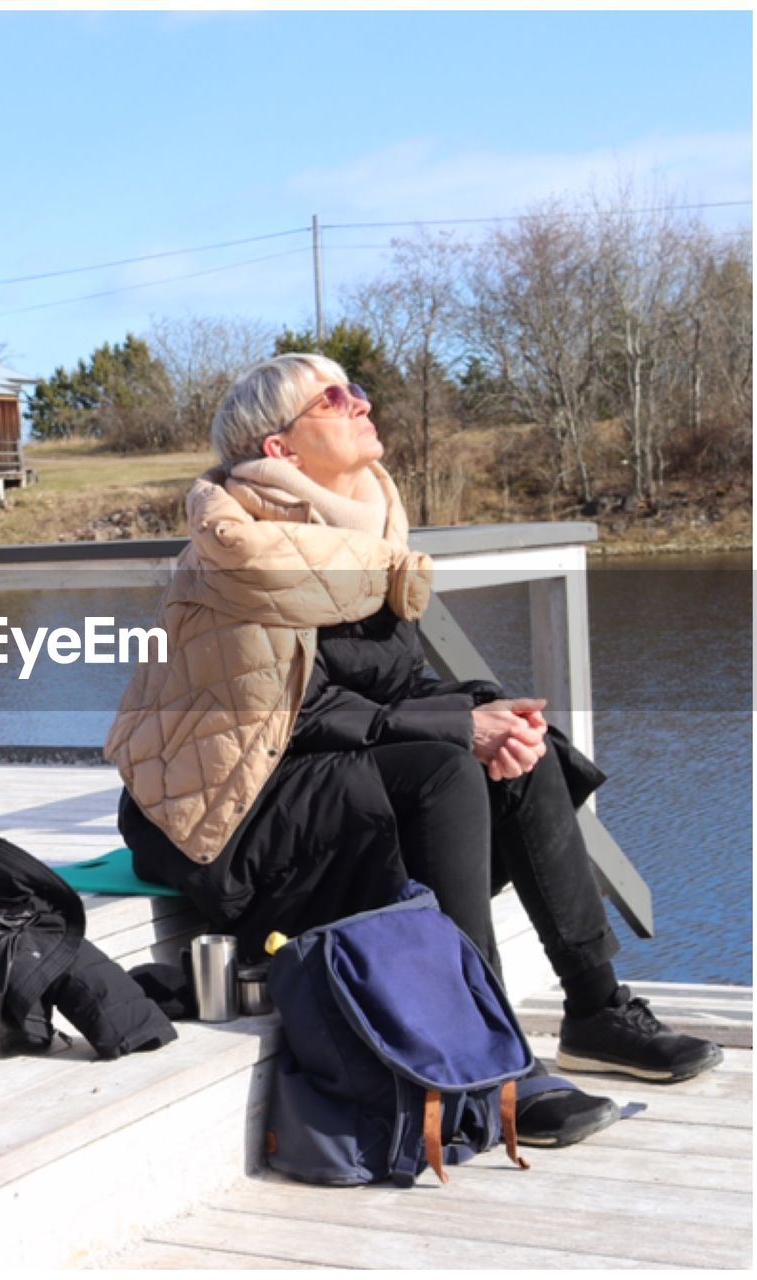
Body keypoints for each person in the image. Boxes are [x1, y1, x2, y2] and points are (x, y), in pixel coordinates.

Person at [104, 352, 722, 1147]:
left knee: (519, 756)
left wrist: (485, 716)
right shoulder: (236, 559)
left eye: (356, 388)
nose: (361, 402)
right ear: (280, 451)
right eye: (334, 397)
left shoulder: (352, 546)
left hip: (310, 777)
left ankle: (598, 1010)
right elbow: (284, 717)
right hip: (222, 810)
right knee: (443, 765)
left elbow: (385, 692)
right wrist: (456, 731)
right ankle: (487, 1057)